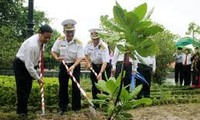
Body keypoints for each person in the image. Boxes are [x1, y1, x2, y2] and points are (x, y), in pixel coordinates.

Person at [13, 25, 53, 117]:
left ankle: (23, 110)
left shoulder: (42, 41)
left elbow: (36, 59)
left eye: (49, 37)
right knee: (22, 89)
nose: (47, 39)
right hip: (21, 65)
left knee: (28, 88)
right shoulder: (32, 45)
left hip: (29, 65)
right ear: (40, 33)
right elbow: (29, 66)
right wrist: (38, 78)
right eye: (46, 37)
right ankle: (22, 113)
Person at [51, 19, 84, 115]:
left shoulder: (78, 43)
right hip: (63, 65)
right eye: (68, 32)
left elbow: (80, 57)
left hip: (75, 65)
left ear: (74, 31)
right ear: (64, 31)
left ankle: (76, 108)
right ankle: (62, 107)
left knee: (76, 87)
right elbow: (53, 51)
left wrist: (73, 66)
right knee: (63, 87)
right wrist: (57, 58)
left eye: (72, 31)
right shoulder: (59, 40)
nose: (70, 34)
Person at [84, 28, 110, 102]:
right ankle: (96, 103)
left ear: (99, 37)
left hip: (104, 67)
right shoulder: (88, 44)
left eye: (97, 39)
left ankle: (105, 103)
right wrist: (88, 63)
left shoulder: (103, 46)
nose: (95, 41)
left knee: (105, 86)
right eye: (93, 39)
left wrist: (101, 73)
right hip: (94, 66)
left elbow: (105, 61)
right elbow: (85, 55)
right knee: (95, 85)